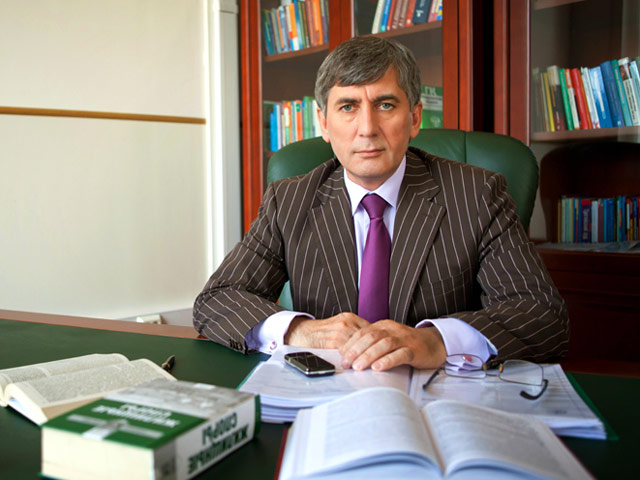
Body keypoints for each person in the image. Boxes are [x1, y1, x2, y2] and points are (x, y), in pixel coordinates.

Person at [193, 36, 569, 372]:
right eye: (348, 107)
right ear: (323, 123)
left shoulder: (477, 194)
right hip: (326, 395)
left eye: (385, 105)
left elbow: (543, 316)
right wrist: (303, 331)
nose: (368, 128)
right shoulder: (289, 200)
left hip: (437, 395)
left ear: (414, 118)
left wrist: (435, 341)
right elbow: (216, 299)